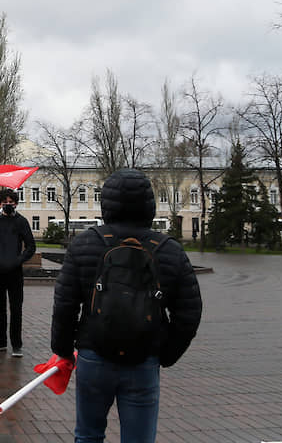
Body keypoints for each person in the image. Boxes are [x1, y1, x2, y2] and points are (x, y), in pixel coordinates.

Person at [50, 169, 202, 443]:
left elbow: (65, 304)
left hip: (93, 356)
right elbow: (189, 311)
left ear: (106, 203)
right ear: (148, 204)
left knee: (88, 435)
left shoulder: (85, 244)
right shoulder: (168, 249)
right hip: (143, 359)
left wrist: (63, 350)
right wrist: (166, 353)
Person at [0, 188, 35, 358]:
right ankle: (0, 341)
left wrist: (17, 261)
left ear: (16, 204)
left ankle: (16, 344)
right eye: (5, 203)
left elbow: (31, 246)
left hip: (14, 272)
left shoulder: (21, 222)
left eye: (11, 203)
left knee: (16, 308)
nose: (8, 205)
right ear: (0, 204)